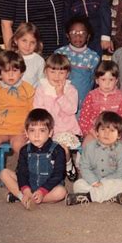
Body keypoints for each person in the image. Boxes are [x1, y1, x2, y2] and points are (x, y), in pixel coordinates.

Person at [0, 51, 35, 184]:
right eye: (6, 71)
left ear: (21, 72)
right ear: (0, 73)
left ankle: (22, 170)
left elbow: (32, 110)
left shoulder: (28, 89)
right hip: (1, 127)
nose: (10, 75)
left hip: (20, 128)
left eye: (15, 71)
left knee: (19, 146)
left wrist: (29, 129)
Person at [0, 108, 67, 209]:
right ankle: (23, 196)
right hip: (29, 184)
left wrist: (42, 191)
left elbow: (58, 175)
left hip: (48, 187)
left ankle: (26, 199)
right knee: (4, 173)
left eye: (42, 130)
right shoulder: (24, 150)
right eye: (32, 130)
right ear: (26, 133)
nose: (36, 135)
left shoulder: (58, 150)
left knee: (61, 192)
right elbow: (21, 172)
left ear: (50, 133)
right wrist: (26, 189)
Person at [66, 111, 122, 206]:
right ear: (96, 132)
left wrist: (103, 182)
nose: (106, 133)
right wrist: (94, 181)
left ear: (119, 136)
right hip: (94, 180)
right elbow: (84, 167)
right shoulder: (89, 147)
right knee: (78, 184)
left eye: (112, 131)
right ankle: (113, 197)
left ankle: (88, 197)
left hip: (113, 181)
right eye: (103, 129)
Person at [33, 53, 81, 182]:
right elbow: (37, 110)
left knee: (62, 148)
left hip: (66, 129)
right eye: (52, 72)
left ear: (67, 74)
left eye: (61, 73)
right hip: (46, 129)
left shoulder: (71, 90)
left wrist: (60, 95)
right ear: (45, 72)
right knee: (37, 145)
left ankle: (68, 164)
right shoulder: (41, 89)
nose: (57, 76)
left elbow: (72, 110)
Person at [78, 61, 122, 145]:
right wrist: (92, 132)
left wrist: (117, 134)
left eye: (111, 80)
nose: (107, 83)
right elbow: (84, 118)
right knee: (87, 144)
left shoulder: (121, 97)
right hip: (94, 132)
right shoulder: (91, 95)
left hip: (113, 133)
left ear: (116, 81)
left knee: (117, 149)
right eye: (103, 79)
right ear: (97, 80)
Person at [55, 16, 99, 115]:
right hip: (61, 101)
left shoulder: (93, 57)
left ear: (88, 36)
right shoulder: (59, 53)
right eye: (73, 33)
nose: (78, 37)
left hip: (82, 102)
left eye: (82, 33)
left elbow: (92, 81)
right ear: (67, 35)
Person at [10, 22, 45, 87]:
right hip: (11, 95)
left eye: (32, 42)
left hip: (32, 96)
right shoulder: (10, 58)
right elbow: (2, 79)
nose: (28, 45)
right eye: (24, 41)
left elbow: (42, 82)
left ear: (36, 44)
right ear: (16, 40)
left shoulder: (39, 60)